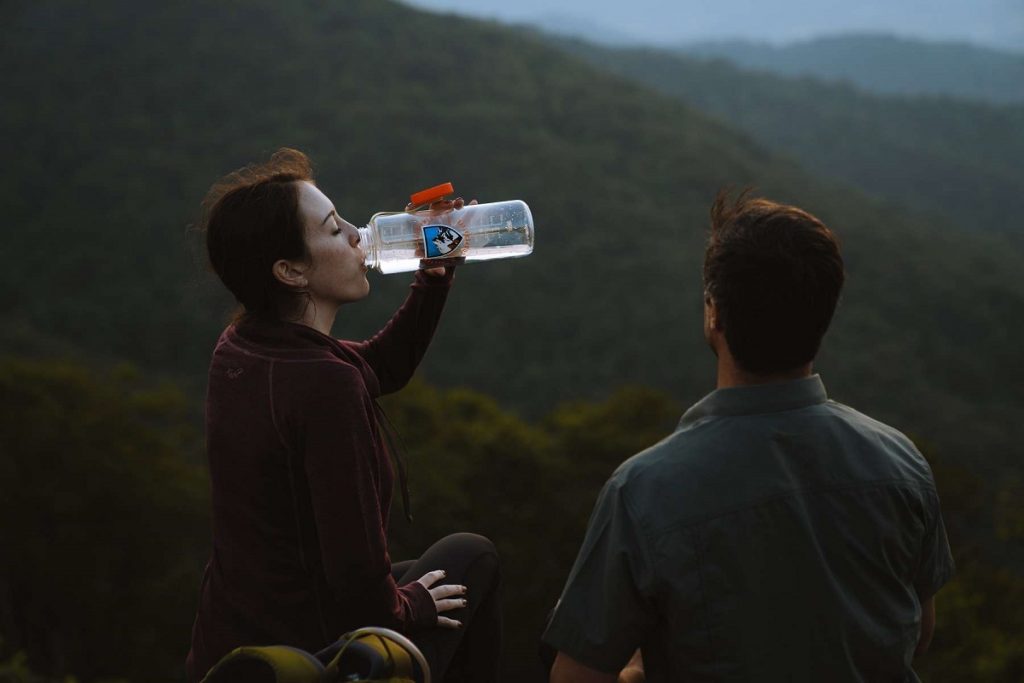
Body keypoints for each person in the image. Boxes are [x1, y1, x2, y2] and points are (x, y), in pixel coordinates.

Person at [541, 191, 955, 682]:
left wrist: (634, 673)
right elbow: (919, 633)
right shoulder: (900, 464)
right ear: (824, 314)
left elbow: (575, 678)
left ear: (714, 314)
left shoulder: (644, 491)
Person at [186, 149, 501, 683]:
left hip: (235, 643)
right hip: (312, 655)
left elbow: (380, 366)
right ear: (290, 270)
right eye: (335, 231)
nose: (359, 235)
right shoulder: (324, 384)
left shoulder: (242, 348)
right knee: (471, 558)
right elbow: (358, 580)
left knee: (442, 571)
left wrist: (436, 269)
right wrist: (407, 611)